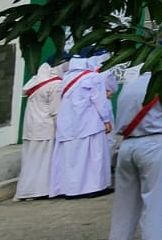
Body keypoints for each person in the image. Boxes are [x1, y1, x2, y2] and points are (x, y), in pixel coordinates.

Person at [106, 68, 162, 240]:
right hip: (155, 143)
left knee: (124, 208)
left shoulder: (129, 85)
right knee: (156, 206)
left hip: (127, 145)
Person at [50, 51, 113, 198]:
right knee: (93, 157)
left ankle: (70, 190)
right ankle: (95, 187)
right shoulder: (93, 77)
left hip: (67, 123)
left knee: (70, 158)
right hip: (88, 122)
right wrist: (106, 120)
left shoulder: (66, 78)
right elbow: (99, 101)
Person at [14, 56, 64, 200]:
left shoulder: (36, 81)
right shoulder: (55, 85)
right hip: (45, 127)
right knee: (43, 162)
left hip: (31, 126)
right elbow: (56, 111)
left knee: (30, 161)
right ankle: (37, 191)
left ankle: (24, 191)